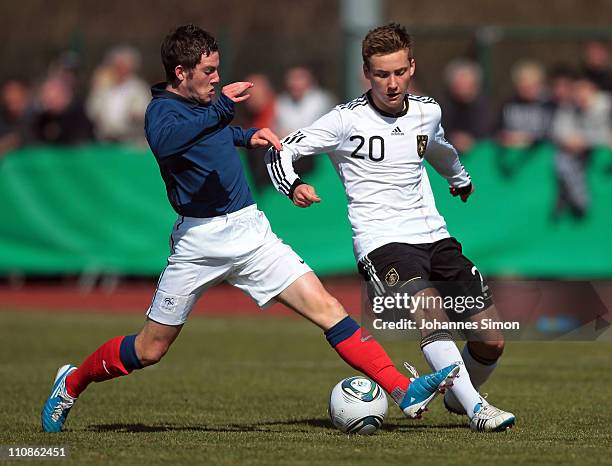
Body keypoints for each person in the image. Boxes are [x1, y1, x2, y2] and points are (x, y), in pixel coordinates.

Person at [41, 24, 459, 433]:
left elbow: (210, 137)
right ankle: (71, 383)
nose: (217, 78)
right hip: (198, 242)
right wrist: (224, 107)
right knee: (150, 349)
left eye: (217, 69)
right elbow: (173, 142)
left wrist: (245, 136)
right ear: (182, 73)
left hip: (250, 230)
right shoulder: (161, 111)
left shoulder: (204, 101)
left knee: (328, 309)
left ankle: (403, 390)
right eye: (209, 71)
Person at [266, 23, 516, 432]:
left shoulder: (427, 110)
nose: (392, 83)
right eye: (382, 74)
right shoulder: (344, 121)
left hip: (434, 235)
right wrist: (292, 185)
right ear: (367, 74)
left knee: (491, 338)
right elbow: (283, 150)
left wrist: (459, 178)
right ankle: (477, 409)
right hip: (381, 242)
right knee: (429, 313)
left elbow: (438, 147)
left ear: (412, 66)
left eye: (399, 72)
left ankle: (458, 395)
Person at [550, 74, 611, 219]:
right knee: (561, 161)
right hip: (579, 158)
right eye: (577, 91)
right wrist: (571, 140)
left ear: (593, 90)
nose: (581, 95)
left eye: (584, 90)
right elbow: (559, 133)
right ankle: (576, 200)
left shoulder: (607, 105)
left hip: (602, 164)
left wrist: (588, 140)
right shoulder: (569, 108)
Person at [86, 46, 151, 145]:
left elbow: (145, 112)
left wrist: (134, 115)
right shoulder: (103, 87)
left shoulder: (139, 88)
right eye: (117, 65)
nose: (120, 69)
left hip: (131, 141)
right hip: (105, 140)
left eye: (123, 65)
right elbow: (91, 110)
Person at [439, 59, 491, 155]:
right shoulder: (444, 105)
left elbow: (488, 132)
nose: (463, 90)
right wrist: (453, 138)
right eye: (459, 85)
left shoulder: (485, 107)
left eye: (466, 85)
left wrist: (471, 140)